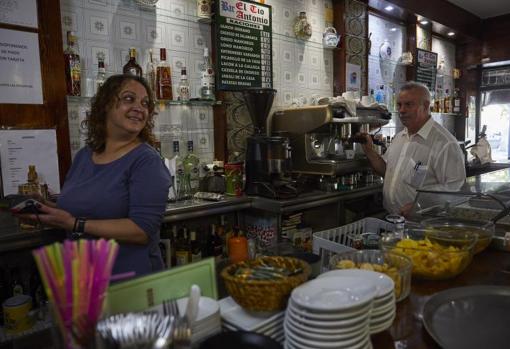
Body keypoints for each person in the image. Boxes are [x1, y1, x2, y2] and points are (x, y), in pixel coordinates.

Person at [15, 74, 171, 277]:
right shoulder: (84, 156)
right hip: (83, 278)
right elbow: (83, 209)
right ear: (105, 104)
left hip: (128, 282)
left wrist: (74, 224)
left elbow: (141, 231)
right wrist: (46, 209)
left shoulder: (146, 161)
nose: (139, 108)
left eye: (145, 103)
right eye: (128, 99)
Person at [361, 81, 465, 216]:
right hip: (392, 219)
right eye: (399, 105)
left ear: (426, 106)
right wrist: (369, 150)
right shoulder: (400, 137)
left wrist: (420, 205)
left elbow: (456, 190)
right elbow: (387, 171)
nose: (402, 110)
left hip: (423, 224)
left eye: (409, 104)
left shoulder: (445, 143)